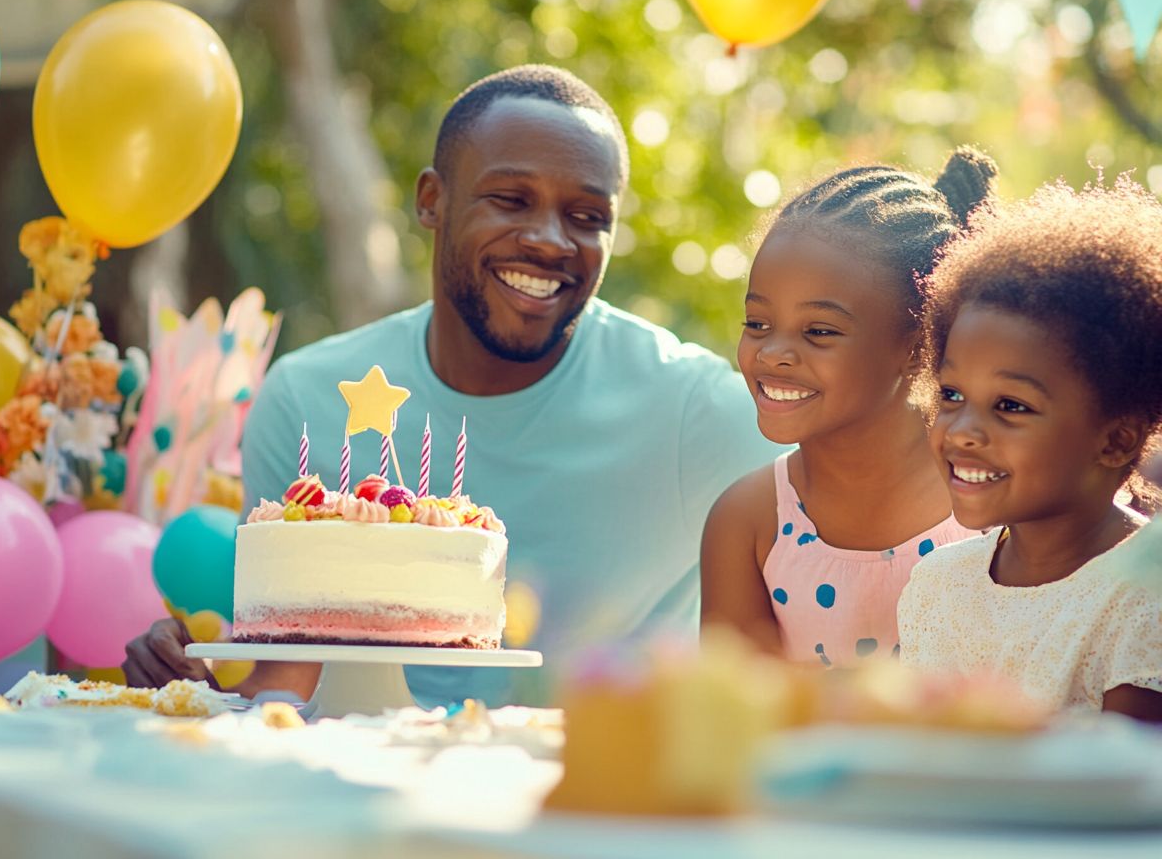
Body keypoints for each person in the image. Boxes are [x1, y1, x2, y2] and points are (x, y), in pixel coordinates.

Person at [122, 65, 780, 705]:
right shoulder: (305, 401)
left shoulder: (700, 414)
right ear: (432, 200)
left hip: (593, 801)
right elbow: (285, 686)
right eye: (511, 199)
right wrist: (200, 693)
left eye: (586, 216)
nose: (549, 240)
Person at [701, 148, 996, 666]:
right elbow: (738, 721)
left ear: (915, 343)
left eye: (819, 331)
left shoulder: (994, 510)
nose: (771, 354)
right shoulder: (749, 522)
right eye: (757, 324)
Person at [897, 177, 1162, 721]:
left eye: (1011, 406)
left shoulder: (1143, 598)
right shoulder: (937, 584)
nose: (963, 431)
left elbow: (1122, 794)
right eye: (952, 394)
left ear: (1116, 439)